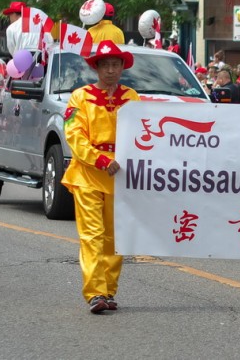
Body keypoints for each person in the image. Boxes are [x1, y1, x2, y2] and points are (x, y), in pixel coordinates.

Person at [62, 40, 140, 313]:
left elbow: (144, 135)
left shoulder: (132, 97)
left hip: (121, 176)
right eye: (105, 65)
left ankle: (108, 289)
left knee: (114, 237)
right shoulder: (79, 97)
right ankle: (95, 292)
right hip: (88, 173)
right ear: (96, 68)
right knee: (93, 235)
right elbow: (74, 135)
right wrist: (100, 159)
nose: (110, 70)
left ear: (122, 67)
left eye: (115, 65)